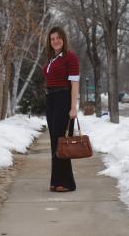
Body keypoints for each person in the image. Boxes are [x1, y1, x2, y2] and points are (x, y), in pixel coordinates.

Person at [43, 26, 79, 192]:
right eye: (52, 39)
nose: (55, 41)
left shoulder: (70, 57)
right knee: (54, 142)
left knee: (61, 142)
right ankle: (55, 180)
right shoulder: (52, 58)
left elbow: (74, 84)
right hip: (51, 100)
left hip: (63, 99)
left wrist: (73, 107)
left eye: (58, 38)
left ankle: (67, 183)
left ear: (63, 39)